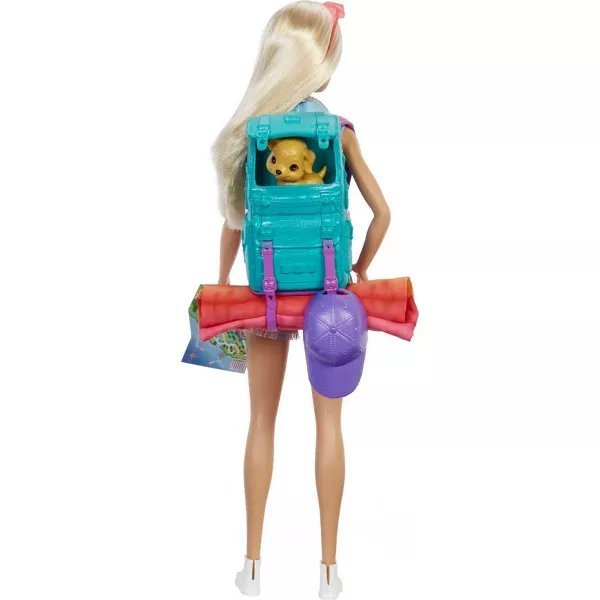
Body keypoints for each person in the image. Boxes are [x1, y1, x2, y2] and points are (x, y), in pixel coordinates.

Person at [211, 2, 391, 597]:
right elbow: (383, 214)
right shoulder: (338, 132)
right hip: (329, 302)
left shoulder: (252, 132)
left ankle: (252, 566)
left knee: (260, 421)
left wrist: (224, 281)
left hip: (264, 295)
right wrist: (360, 268)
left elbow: (234, 222)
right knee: (328, 425)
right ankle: (329, 571)